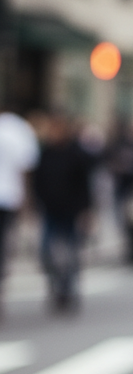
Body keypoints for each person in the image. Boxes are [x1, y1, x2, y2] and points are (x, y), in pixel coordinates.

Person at [31, 112, 96, 312]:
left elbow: (85, 185)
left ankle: (70, 288)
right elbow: (36, 181)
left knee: (71, 252)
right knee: (45, 252)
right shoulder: (44, 154)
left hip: (71, 211)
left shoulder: (75, 154)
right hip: (50, 211)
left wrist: (87, 211)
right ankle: (55, 286)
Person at [0, 107, 39, 318]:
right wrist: (27, 201)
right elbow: (26, 167)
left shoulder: (16, 129)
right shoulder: (18, 129)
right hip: (8, 198)